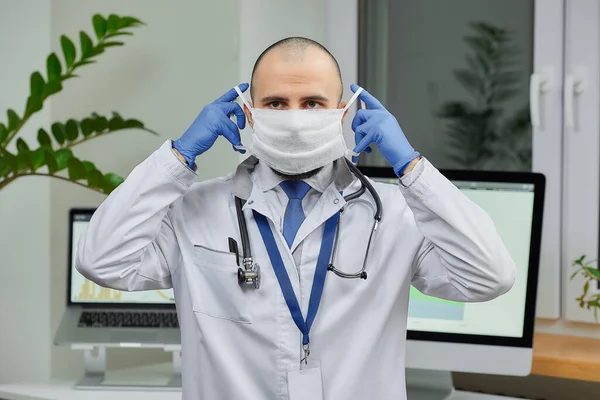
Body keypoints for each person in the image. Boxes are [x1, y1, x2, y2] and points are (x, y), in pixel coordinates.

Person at [76, 37, 516, 399]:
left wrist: (411, 167)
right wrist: (179, 156)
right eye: (276, 103)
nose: (294, 119)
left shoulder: (395, 214)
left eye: (311, 103)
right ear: (248, 112)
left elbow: (488, 277)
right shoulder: (195, 211)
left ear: (343, 111)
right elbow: (103, 261)